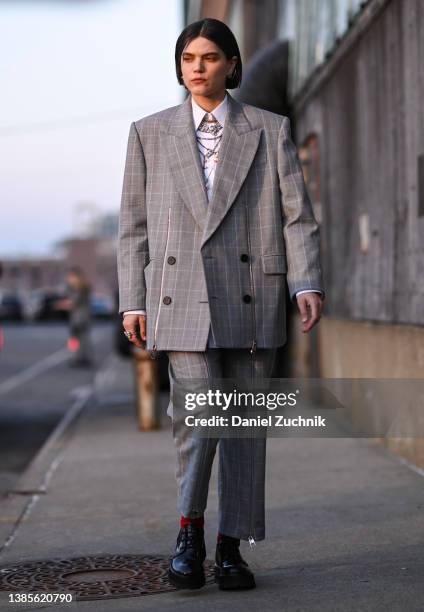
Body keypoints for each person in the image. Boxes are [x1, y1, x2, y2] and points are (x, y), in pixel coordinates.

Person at [117, 18, 324, 591]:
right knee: (202, 416)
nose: (198, 68)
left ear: (231, 64)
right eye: (188, 59)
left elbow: (296, 216)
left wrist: (305, 284)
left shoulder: (268, 128)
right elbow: (132, 226)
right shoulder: (148, 133)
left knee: (242, 427)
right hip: (178, 298)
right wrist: (132, 300)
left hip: (251, 295)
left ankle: (232, 547)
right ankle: (189, 533)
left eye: (209, 57)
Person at [65, 267, 93, 367]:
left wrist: (62, 304)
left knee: (75, 339)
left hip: (78, 317)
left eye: (70, 277)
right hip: (84, 316)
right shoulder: (85, 287)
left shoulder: (79, 288)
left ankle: (77, 358)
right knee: (83, 338)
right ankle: (81, 357)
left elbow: (73, 302)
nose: (69, 279)